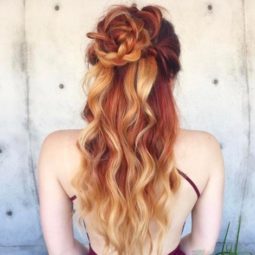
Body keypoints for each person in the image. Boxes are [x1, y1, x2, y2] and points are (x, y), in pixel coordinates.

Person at [37, 3, 225, 255]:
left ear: (100, 71)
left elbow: (63, 251)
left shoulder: (55, 149)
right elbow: (200, 247)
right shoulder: (206, 149)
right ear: (170, 77)